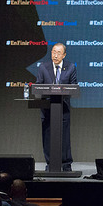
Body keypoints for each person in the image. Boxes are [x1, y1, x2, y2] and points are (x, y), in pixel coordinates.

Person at [36, 42, 77, 171]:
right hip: (47, 108)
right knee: (47, 136)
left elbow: (74, 87)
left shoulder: (70, 67)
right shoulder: (43, 67)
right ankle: (50, 163)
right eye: (53, 52)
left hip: (63, 107)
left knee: (64, 137)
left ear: (64, 55)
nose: (55, 55)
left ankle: (66, 164)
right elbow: (38, 86)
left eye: (59, 52)